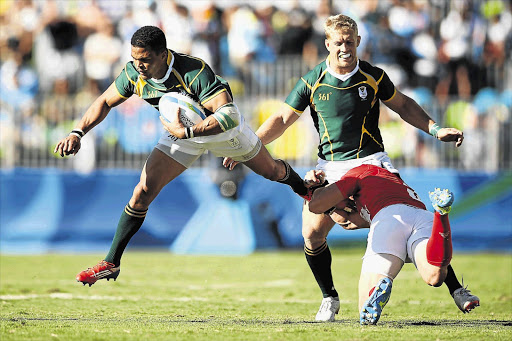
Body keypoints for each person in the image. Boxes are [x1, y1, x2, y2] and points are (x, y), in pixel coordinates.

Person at [223, 14, 475, 321]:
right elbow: (281, 120)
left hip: (372, 165)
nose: (345, 48)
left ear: (358, 41)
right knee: (312, 234)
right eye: (339, 42)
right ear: (328, 43)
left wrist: (435, 129)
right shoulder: (312, 80)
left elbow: (404, 105)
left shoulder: (372, 75)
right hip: (331, 168)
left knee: (411, 221)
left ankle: (455, 288)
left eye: (350, 42)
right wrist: (248, 148)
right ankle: (329, 297)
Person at [53, 26, 309, 286]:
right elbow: (105, 101)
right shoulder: (133, 74)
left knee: (273, 172)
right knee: (142, 191)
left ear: (163, 55)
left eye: (145, 59)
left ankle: (308, 190)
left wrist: (188, 130)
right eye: (134, 58)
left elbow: (228, 115)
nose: (139, 65)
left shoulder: (193, 70)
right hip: (181, 134)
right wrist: (78, 132)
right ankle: (111, 262)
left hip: (222, 131)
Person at [305, 165, 480, 324]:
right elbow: (351, 222)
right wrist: (336, 208)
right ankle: (441, 216)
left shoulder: (357, 172)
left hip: (389, 219)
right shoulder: (390, 182)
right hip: (422, 217)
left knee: (364, 310)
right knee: (434, 276)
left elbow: (316, 205)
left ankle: (380, 283)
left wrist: (314, 188)